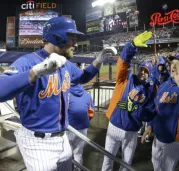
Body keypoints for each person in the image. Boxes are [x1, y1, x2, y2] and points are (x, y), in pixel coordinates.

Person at [0, 16, 116, 171]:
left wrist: (98, 61)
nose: (75, 43)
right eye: (72, 37)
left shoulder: (65, 64)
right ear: (57, 37)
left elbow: (82, 77)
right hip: (37, 142)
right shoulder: (27, 61)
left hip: (63, 138)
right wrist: (36, 72)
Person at [102, 31, 155, 171]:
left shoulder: (149, 91)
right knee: (107, 161)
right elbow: (123, 62)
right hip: (115, 126)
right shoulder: (125, 79)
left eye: (147, 71)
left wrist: (138, 111)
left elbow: (150, 113)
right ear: (138, 70)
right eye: (142, 69)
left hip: (132, 131)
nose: (143, 72)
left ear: (149, 75)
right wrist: (131, 46)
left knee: (126, 164)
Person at [142, 52, 179, 171]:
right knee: (156, 167)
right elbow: (155, 107)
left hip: (173, 141)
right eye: (172, 63)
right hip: (158, 137)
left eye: (177, 64)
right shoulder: (164, 85)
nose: (173, 66)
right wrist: (149, 125)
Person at [66, 81, 95, 168]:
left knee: (66, 155)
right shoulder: (87, 95)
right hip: (82, 129)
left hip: (68, 129)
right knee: (78, 153)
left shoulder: (66, 94)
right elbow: (91, 113)